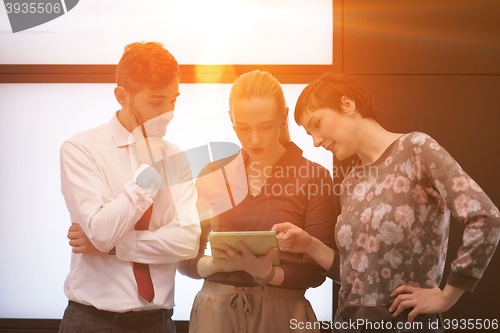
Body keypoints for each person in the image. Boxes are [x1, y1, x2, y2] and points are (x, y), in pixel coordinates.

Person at [272, 72, 500, 333]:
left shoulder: (416, 148)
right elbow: (356, 276)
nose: (316, 141)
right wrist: (309, 245)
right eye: (310, 134)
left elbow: (486, 217)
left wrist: (446, 297)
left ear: (348, 105)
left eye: (318, 124)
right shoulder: (351, 182)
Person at [177, 70, 336, 333]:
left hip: (283, 313)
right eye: (243, 128)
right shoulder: (213, 173)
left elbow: (316, 270)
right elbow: (184, 259)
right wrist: (217, 264)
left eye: (265, 127)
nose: (254, 139)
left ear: (283, 117)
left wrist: (269, 274)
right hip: (215, 314)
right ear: (231, 120)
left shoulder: (314, 176)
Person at [59, 41, 201, 333]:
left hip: (159, 325)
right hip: (93, 322)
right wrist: (148, 173)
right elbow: (100, 232)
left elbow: (187, 242)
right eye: (156, 101)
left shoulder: (177, 158)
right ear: (122, 96)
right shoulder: (80, 150)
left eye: (173, 100)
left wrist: (114, 248)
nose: (169, 113)